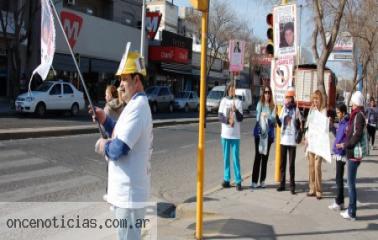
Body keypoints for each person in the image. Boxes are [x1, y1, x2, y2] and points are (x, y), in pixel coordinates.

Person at [91, 51, 152, 239]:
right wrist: (105, 120)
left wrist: (103, 145)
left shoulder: (138, 107)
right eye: (120, 81)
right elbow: (120, 131)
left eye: (124, 79)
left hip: (129, 198)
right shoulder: (133, 105)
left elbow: (119, 148)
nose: (120, 86)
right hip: (125, 196)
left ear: (136, 79)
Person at [336, 91, 366, 221]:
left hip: (353, 154)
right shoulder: (357, 115)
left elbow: (358, 134)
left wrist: (347, 145)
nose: (352, 105)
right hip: (352, 153)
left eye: (353, 102)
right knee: (351, 183)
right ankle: (351, 210)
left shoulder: (358, 115)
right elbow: (354, 132)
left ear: (356, 103)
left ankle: (352, 212)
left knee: (351, 184)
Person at [275, 87, 302, 194]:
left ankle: (292, 186)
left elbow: (300, 124)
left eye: (288, 97)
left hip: (292, 141)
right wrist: (276, 117)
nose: (286, 99)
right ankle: (282, 184)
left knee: (291, 165)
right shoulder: (284, 109)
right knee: (282, 164)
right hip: (283, 140)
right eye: (286, 97)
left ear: (292, 98)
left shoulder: (296, 110)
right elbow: (280, 124)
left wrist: (298, 123)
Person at [218, 81, 244, 191]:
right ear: (228, 89)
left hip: (235, 135)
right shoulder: (224, 101)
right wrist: (228, 120)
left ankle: (238, 181)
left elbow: (240, 118)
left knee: (235, 158)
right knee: (226, 158)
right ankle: (226, 179)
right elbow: (220, 116)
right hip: (225, 134)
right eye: (230, 89)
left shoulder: (238, 102)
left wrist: (236, 110)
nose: (232, 91)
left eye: (234, 89)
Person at [251, 85, 275, 188]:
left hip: (268, 135)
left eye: (269, 92)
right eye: (265, 92)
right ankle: (254, 181)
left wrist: (267, 116)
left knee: (265, 158)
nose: (267, 94)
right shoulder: (259, 104)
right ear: (263, 93)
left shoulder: (273, 106)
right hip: (259, 134)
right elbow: (257, 118)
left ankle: (262, 180)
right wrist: (262, 114)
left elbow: (273, 120)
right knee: (258, 157)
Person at [305, 90, 327, 200]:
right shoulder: (311, 111)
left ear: (320, 100)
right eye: (314, 99)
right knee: (311, 167)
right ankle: (312, 188)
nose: (315, 101)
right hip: (311, 143)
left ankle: (319, 190)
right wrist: (306, 136)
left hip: (319, 144)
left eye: (317, 99)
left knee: (317, 166)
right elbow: (308, 125)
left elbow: (323, 128)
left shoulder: (323, 111)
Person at [328, 103, 349, 211]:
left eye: (338, 112)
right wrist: (332, 126)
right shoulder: (342, 122)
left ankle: (339, 201)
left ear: (343, 112)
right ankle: (340, 201)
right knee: (338, 178)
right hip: (338, 152)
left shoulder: (346, 123)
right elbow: (338, 135)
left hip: (342, 153)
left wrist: (342, 145)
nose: (337, 114)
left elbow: (347, 139)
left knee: (339, 179)